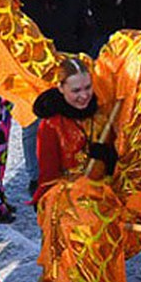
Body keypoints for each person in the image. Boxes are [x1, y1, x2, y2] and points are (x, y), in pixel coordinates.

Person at [16, 0, 96, 195]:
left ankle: (78, 167)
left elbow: (88, 30)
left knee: (75, 120)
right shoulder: (18, 2)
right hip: (35, 76)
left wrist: (79, 55)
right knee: (34, 126)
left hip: (70, 70)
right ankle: (36, 174)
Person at [33, 56, 117, 201]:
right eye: (76, 91)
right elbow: (48, 177)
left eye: (88, 87)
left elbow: (116, 164)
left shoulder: (102, 116)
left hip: (103, 195)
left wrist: (109, 159)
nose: (84, 95)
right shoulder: (51, 125)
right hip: (68, 202)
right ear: (61, 88)